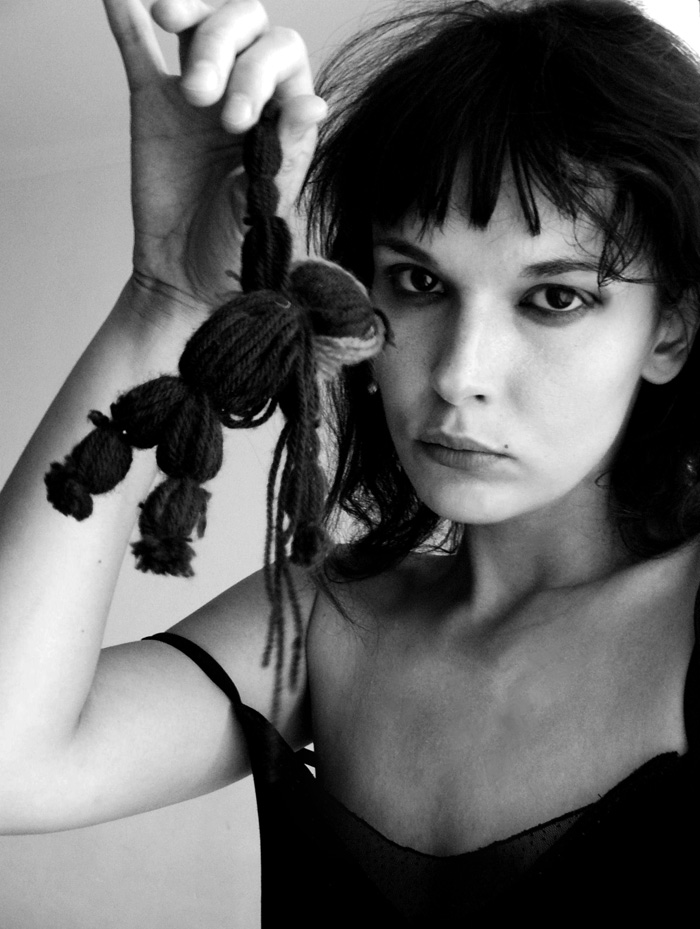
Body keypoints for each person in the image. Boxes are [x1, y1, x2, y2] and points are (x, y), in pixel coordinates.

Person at [0, 0, 699, 923]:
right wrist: (164, 295)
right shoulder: (315, 624)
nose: (457, 374)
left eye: (556, 298)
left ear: (670, 330)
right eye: (419, 281)